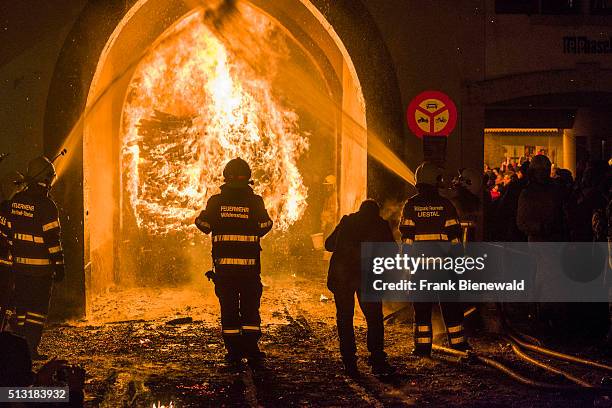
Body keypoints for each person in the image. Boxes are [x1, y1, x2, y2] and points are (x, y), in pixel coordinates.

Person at [195, 157, 273, 368]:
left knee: (228, 308)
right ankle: (252, 349)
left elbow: (202, 224)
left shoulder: (216, 202)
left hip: (225, 269)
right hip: (249, 269)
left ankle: (234, 352)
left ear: (225, 178)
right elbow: (266, 224)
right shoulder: (255, 202)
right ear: (248, 178)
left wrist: (213, 219)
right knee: (250, 309)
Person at [399, 162, 469, 356]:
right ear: (434, 181)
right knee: (452, 309)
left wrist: (407, 268)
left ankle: (422, 348)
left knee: (421, 311)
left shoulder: (411, 206)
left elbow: (406, 240)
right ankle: (459, 346)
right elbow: (456, 239)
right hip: (445, 270)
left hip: (420, 271)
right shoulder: (446, 205)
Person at [325, 199, 396, 377]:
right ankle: (377, 359)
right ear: (376, 213)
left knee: (345, 318)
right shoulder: (380, 225)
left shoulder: (347, 221)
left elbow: (328, 244)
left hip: (343, 276)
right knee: (374, 319)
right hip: (368, 276)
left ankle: (349, 361)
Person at [8, 156, 64, 359]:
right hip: (41, 271)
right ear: (46, 179)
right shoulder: (47, 206)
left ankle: (19, 352)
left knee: (21, 311)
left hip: (19, 269)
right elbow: (52, 240)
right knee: (37, 313)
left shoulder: (16, 202)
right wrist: (59, 264)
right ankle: (30, 349)